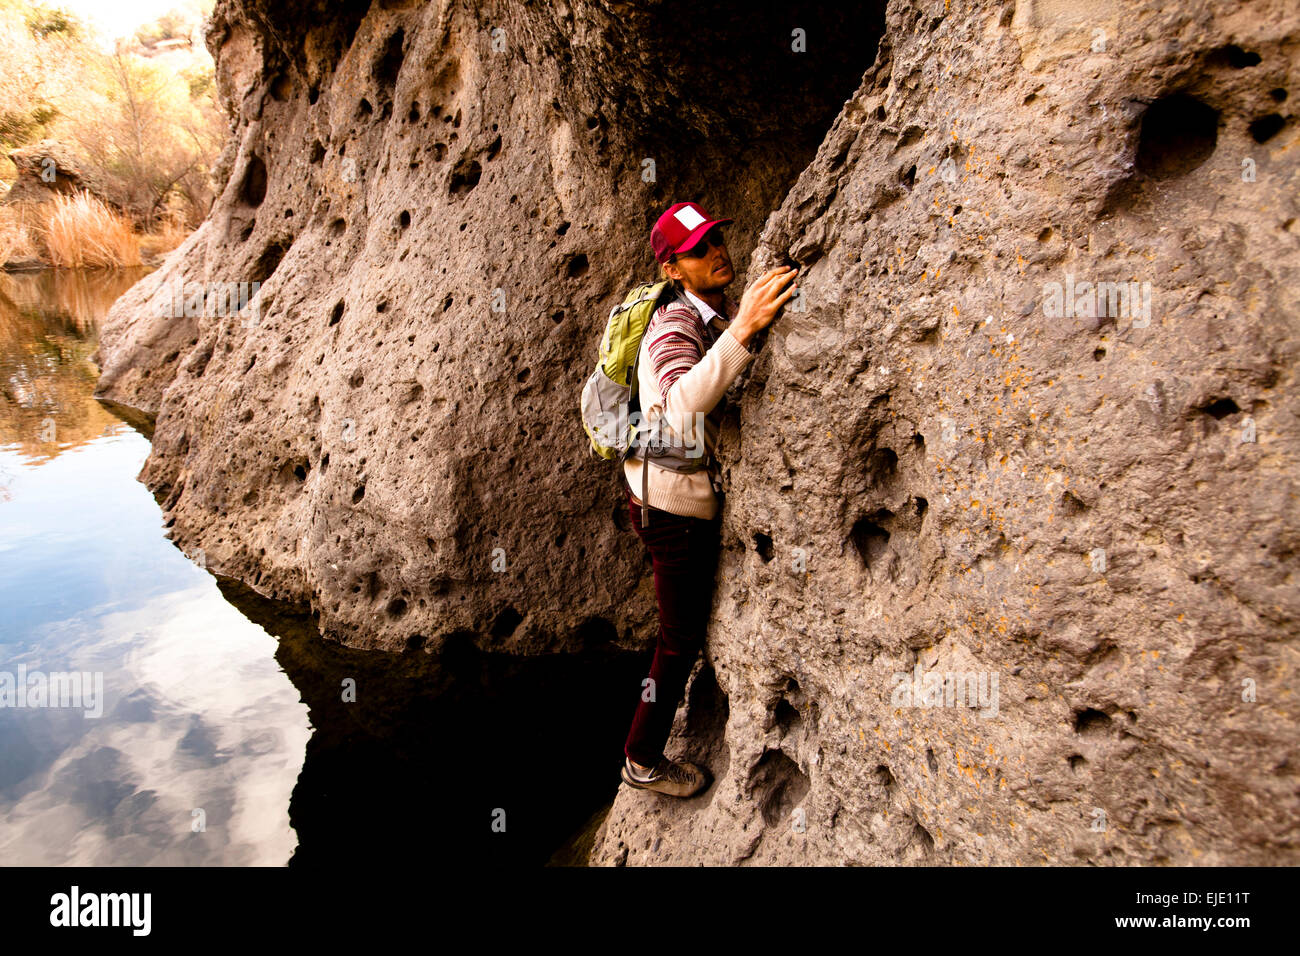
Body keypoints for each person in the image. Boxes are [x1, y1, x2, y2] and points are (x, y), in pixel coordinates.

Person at [620, 201, 798, 797]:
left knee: (679, 626)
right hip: (669, 511)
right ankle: (641, 758)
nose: (717, 251)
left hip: (665, 496)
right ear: (674, 269)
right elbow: (677, 411)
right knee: (678, 638)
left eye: (716, 239)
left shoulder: (704, 312)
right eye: (698, 249)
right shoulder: (674, 326)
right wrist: (745, 328)